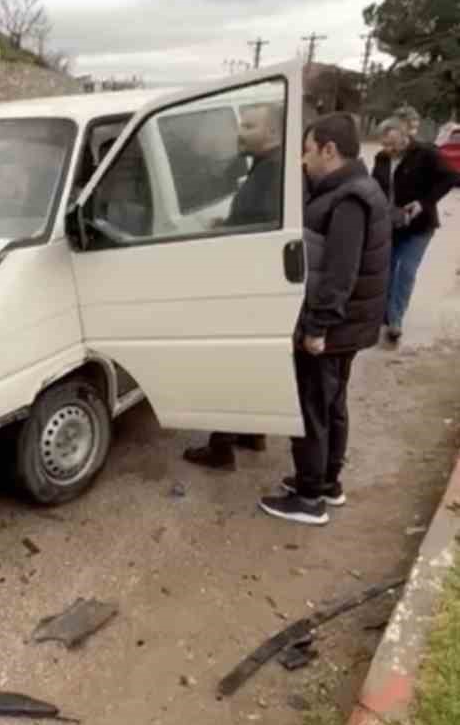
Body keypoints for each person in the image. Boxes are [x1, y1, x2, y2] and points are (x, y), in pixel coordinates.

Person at [260, 113, 390, 526]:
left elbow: (339, 273)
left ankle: (309, 496)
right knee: (331, 405)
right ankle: (327, 483)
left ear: (329, 150)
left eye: (308, 150)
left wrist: (317, 327)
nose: (304, 159)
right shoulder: (356, 187)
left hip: (334, 325)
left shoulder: (349, 199)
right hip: (348, 325)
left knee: (313, 407)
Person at [183, 101, 283, 471]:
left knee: (230, 366)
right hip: (257, 282)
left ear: (271, 133)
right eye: (241, 124)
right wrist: (227, 223)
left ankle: (221, 448)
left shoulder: (272, 172)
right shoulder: (268, 167)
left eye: (249, 126)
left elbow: (258, 228)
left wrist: (221, 231)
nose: (240, 131)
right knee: (250, 365)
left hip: (249, 283)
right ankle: (252, 432)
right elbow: (254, 218)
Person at [372, 117, 457, 343]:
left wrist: (423, 202)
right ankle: (384, 314)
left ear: (405, 136)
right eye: (385, 144)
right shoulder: (381, 158)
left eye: (392, 144)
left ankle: (396, 319)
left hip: (419, 226)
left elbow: (450, 177)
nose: (388, 149)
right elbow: (375, 186)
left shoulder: (426, 154)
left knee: (406, 271)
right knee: (387, 269)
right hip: (390, 224)